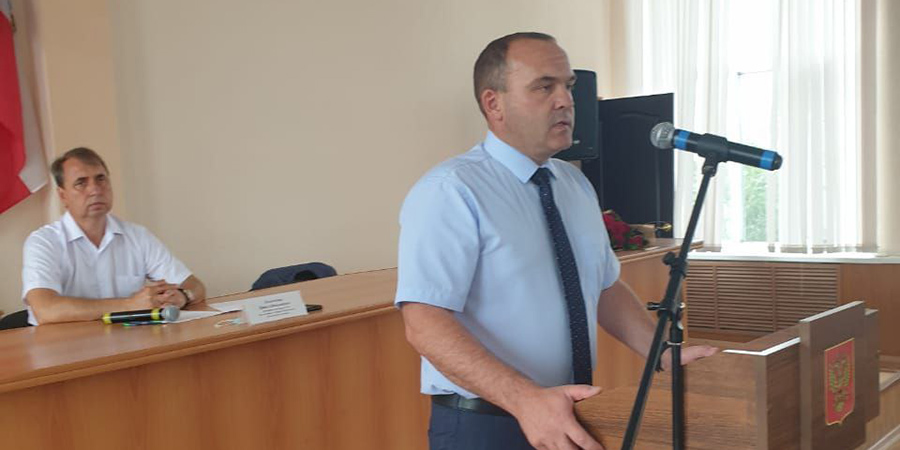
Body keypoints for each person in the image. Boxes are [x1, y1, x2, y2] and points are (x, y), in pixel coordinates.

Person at [395, 32, 717, 450]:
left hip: (568, 413)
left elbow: (604, 287)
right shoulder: (450, 191)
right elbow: (424, 323)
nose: (566, 100)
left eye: (568, 86)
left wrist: (663, 354)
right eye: (544, 87)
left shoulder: (574, 184)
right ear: (494, 103)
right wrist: (525, 401)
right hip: (488, 424)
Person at [21, 147, 206, 325]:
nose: (95, 190)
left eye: (101, 179)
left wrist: (182, 296)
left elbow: (195, 285)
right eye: (81, 183)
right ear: (63, 196)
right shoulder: (44, 242)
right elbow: (45, 309)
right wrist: (128, 305)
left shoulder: (137, 236)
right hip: (65, 344)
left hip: (128, 340)